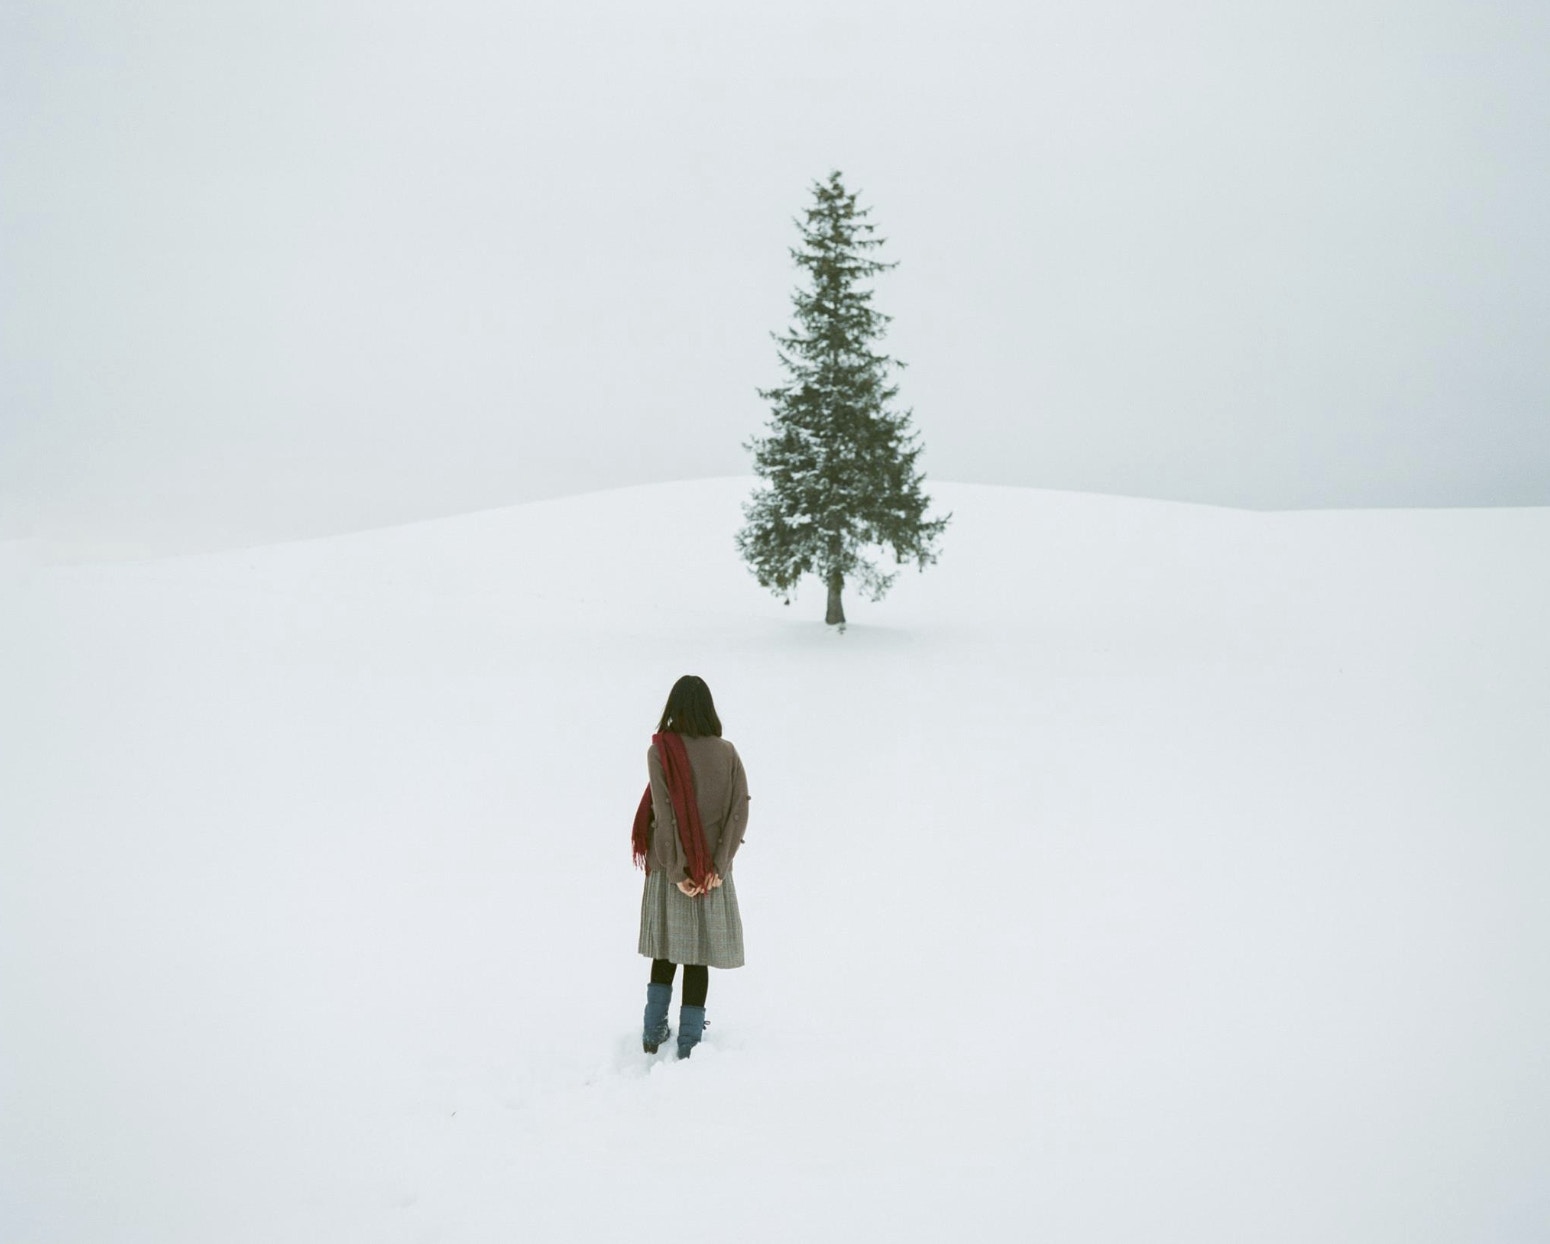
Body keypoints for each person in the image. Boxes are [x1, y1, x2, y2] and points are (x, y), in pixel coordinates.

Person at [631, 674, 750, 1058]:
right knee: (699, 955)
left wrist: (678, 871)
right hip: (712, 873)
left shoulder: (660, 752)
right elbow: (739, 811)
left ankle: (653, 1033)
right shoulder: (728, 752)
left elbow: (664, 816)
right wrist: (719, 865)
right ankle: (689, 1043)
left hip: (670, 869)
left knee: (665, 950)